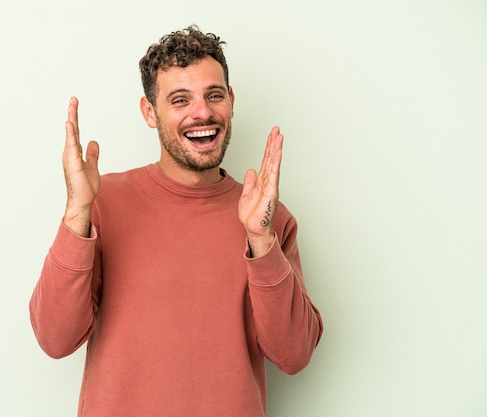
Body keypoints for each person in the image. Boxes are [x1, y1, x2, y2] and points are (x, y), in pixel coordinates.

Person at [29, 25, 323, 417]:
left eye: (214, 95)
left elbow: (293, 355)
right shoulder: (103, 203)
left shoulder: (268, 219)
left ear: (231, 101)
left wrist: (261, 241)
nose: (202, 112)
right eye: (180, 100)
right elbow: (55, 338)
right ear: (149, 112)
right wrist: (77, 213)